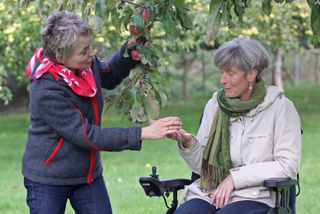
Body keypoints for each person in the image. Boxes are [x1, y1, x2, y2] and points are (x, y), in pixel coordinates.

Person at [22, 11, 182, 214]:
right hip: (48, 179)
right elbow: (88, 135)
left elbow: (109, 74)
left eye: (89, 46)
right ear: (60, 56)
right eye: (83, 51)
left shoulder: (86, 66)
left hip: (87, 175)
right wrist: (143, 133)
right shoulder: (46, 89)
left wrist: (131, 53)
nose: (91, 53)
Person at [168, 38, 301, 214]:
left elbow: (287, 166)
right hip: (210, 193)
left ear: (251, 74)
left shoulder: (281, 108)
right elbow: (204, 168)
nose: (223, 80)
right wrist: (188, 144)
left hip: (255, 196)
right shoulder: (215, 105)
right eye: (222, 72)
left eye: (230, 73)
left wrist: (234, 178)